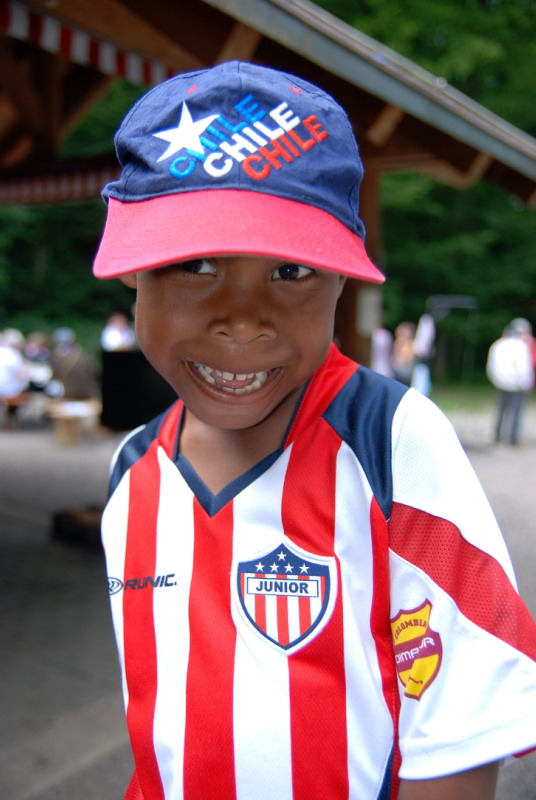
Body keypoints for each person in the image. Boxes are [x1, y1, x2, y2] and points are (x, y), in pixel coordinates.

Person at [92, 61, 536, 800]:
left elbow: (459, 727)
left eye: (291, 271)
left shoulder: (391, 440)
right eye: (195, 263)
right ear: (133, 274)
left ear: (341, 280)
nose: (242, 320)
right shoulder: (130, 471)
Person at [486, 319, 534, 445]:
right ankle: (513, 438)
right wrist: (526, 382)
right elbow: (524, 368)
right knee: (516, 411)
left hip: (500, 382)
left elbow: (491, 365)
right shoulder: (521, 347)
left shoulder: (497, 345)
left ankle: (497, 435)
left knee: (501, 408)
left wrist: (495, 379)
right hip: (516, 384)